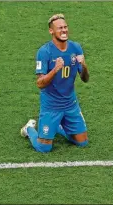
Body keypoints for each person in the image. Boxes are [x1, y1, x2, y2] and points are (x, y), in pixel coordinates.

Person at [20, 13, 89, 153]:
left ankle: (57, 126)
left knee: (82, 142)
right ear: (51, 31)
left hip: (70, 104)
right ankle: (29, 129)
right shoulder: (44, 52)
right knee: (44, 147)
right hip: (51, 106)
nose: (64, 30)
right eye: (59, 28)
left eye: (65, 27)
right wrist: (55, 70)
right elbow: (40, 83)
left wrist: (85, 65)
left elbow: (85, 79)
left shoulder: (76, 48)